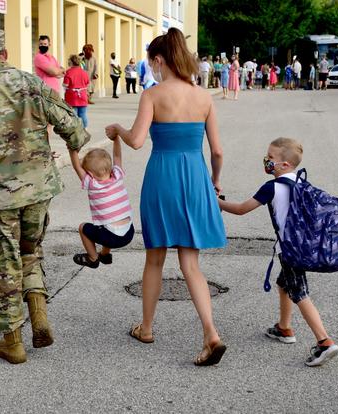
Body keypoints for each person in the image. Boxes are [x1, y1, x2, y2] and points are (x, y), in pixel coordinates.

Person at [0, 30, 90, 365]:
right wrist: (76, 143)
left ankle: (13, 342)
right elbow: (72, 125)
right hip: (39, 190)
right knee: (30, 252)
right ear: (5, 52)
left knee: (3, 266)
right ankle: (38, 315)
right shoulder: (32, 83)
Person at [105, 27, 227, 366]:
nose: (152, 69)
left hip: (162, 179)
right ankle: (210, 332)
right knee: (191, 263)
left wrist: (117, 130)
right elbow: (217, 151)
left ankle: (146, 328)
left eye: (152, 64)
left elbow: (137, 140)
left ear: (159, 60)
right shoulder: (203, 96)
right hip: (195, 178)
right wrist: (214, 183)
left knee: (155, 258)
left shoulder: (153, 95)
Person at [218, 137, 338, 367]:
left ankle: (324, 341)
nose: (266, 160)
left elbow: (242, 209)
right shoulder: (301, 181)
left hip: (290, 250)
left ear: (284, 164)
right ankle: (284, 328)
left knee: (300, 293)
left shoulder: (272, 187)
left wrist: (217, 203)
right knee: (284, 285)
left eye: (270, 158)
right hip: (302, 246)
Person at [68, 139, 134, 268]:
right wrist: (116, 140)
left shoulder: (92, 184)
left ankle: (93, 258)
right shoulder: (117, 176)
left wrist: (72, 149)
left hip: (111, 237)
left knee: (83, 227)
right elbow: (117, 156)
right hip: (129, 233)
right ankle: (105, 255)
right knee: (107, 225)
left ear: (90, 174)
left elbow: (76, 166)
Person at [63, 54, 90, 128]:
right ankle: (85, 129)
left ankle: (76, 129)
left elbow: (65, 84)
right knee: (83, 114)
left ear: (71, 62)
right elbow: (87, 83)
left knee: (73, 114)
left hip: (72, 96)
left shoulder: (68, 72)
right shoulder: (84, 72)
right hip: (83, 95)